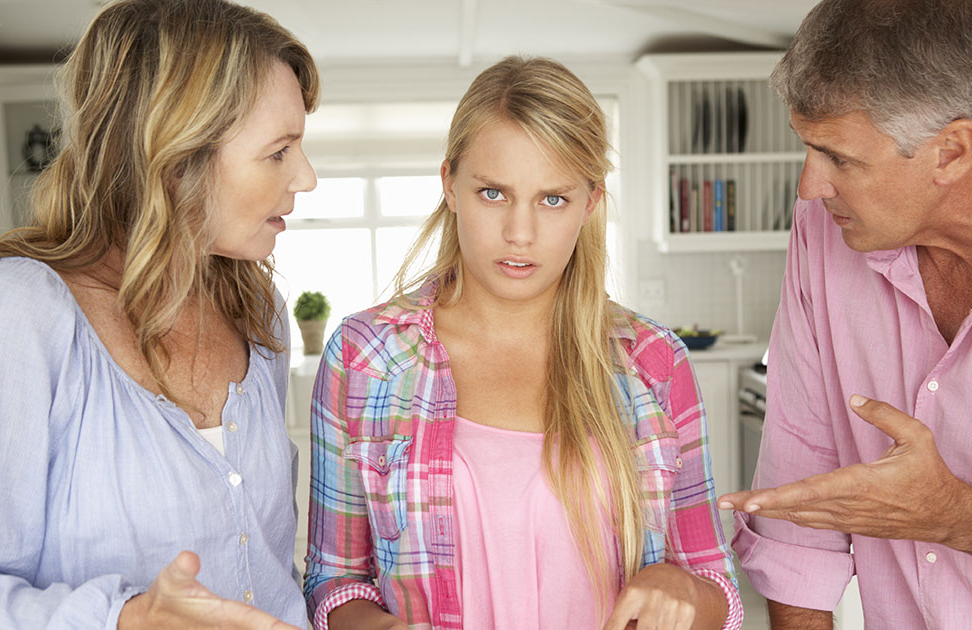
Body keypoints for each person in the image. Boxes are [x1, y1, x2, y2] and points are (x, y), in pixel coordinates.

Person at [715, 0, 972, 627]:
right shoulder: (823, 234)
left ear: (952, 151)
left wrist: (951, 515)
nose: (809, 187)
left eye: (839, 158)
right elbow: (798, 521)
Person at [303, 56, 744, 630]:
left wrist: (682, 588)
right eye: (493, 193)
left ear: (590, 203)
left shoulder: (654, 363)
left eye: (552, 199)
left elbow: (717, 587)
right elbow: (332, 579)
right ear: (450, 185)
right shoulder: (363, 357)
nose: (520, 233)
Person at [0, 0, 319, 627]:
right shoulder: (8, 316)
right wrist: (126, 617)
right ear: (176, 155)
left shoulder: (258, 311)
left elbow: (270, 570)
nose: (306, 177)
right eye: (279, 151)